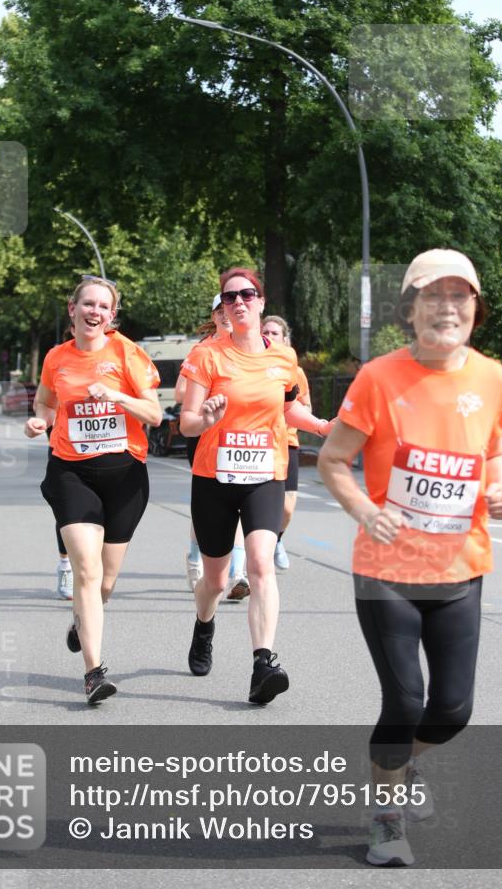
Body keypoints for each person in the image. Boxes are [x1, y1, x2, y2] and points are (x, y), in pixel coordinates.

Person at [318, 249, 502, 867]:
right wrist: (364, 510)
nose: (447, 307)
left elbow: (491, 452)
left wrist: (501, 483)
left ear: (475, 310)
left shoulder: (491, 377)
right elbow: (331, 461)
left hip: (461, 570)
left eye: (460, 297)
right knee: (404, 702)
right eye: (434, 296)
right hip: (387, 570)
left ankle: (397, 765)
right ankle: (385, 818)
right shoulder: (378, 378)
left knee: (453, 709)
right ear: (411, 309)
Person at [180, 268, 331, 705]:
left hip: (265, 474)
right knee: (216, 579)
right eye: (230, 297)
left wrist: (322, 425)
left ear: (261, 302)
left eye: (247, 294)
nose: (239, 302)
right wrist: (205, 419)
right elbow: (188, 422)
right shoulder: (206, 355)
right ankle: (204, 623)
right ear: (223, 308)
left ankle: (263, 663)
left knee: (261, 565)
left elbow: (289, 408)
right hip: (214, 478)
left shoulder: (283, 358)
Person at [25, 277, 162, 705]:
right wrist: (40, 421)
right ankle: (94, 672)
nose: (95, 311)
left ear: (111, 314)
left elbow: (155, 414)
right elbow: (46, 403)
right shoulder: (56, 358)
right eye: (88, 303)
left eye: (104, 306)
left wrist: (118, 396)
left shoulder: (128, 354)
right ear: (73, 309)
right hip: (72, 471)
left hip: (124, 476)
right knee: (86, 571)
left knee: (105, 582)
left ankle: (82, 619)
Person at [175, 295, 248, 599]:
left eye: (229, 309)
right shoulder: (202, 350)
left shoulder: (250, 348)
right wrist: (206, 401)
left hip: (241, 439)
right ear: (214, 316)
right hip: (205, 435)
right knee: (208, 508)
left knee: (243, 504)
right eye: (219, 311)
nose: (225, 315)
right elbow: (180, 392)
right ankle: (195, 560)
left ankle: (238, 573)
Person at [261, 316, 312, 571]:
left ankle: (277, 539)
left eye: (275, 332)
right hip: (259, 443)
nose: (270, 335)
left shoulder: (295, 371)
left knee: (287, 507)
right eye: (266, 331)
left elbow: (307, 407)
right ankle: (254, 553)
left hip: (287, 441)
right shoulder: (253, 365)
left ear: (285, 339)